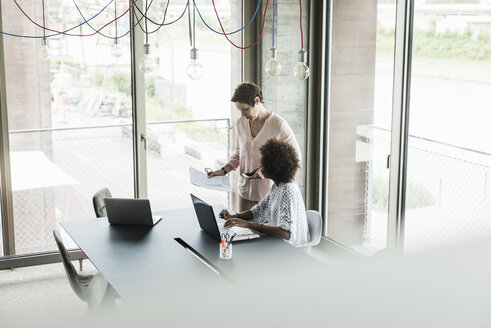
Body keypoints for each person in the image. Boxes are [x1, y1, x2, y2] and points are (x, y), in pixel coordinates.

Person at [207, 82, 301, 212]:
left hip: (269, 194)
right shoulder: (240, 123)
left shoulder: (278, 124)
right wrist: (223, 171)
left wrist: (265, 170)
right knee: (244, 230)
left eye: (245, 109)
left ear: (257, 101)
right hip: (245, 192)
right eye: (240, 110)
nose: (243, 114)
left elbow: (296, 157)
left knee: (264, 231)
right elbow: (238, 154)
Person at [219, 138, 310, 247]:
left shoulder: (287, 190)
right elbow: (257, 211)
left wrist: (249, 224)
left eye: (263, 165)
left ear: (274, 168)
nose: (260, 167)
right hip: (277, 242)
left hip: (289, 249)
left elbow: (285, 233)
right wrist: (233, 216)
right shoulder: (277, 186)